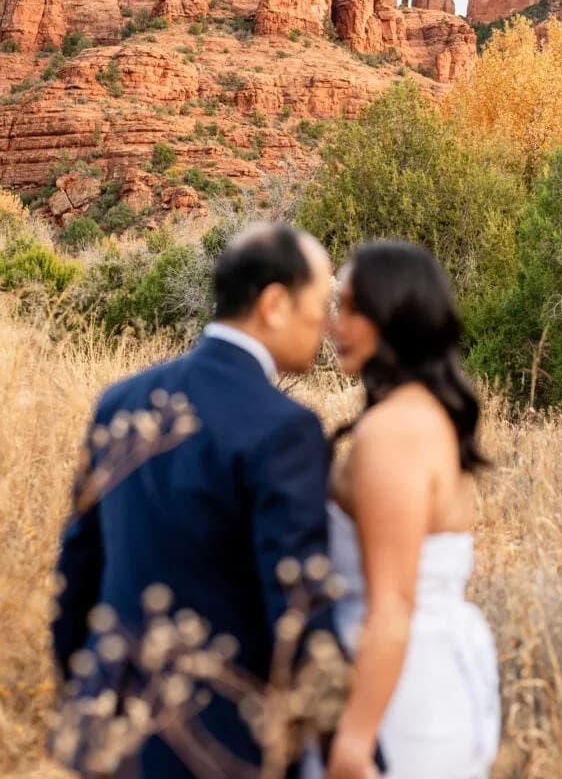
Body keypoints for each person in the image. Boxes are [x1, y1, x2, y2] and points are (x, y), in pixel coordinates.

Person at [51, 224, 360, 778]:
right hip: (217, 741)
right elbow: (297, 605)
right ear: (273, 304)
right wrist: (348, 750)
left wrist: (85, 699)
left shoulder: (120, 401)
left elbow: (76, 569)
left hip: (107, 733)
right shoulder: (285, 428)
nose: (325, 328)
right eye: (318, 309)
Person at [320, 240, 501, 779]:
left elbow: (393, 603)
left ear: (390, 315)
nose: (334, 325)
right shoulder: (421, 414)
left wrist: (354, 740)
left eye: (349, 308)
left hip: (399, 698)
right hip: (416, 673)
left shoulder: (394, 431)